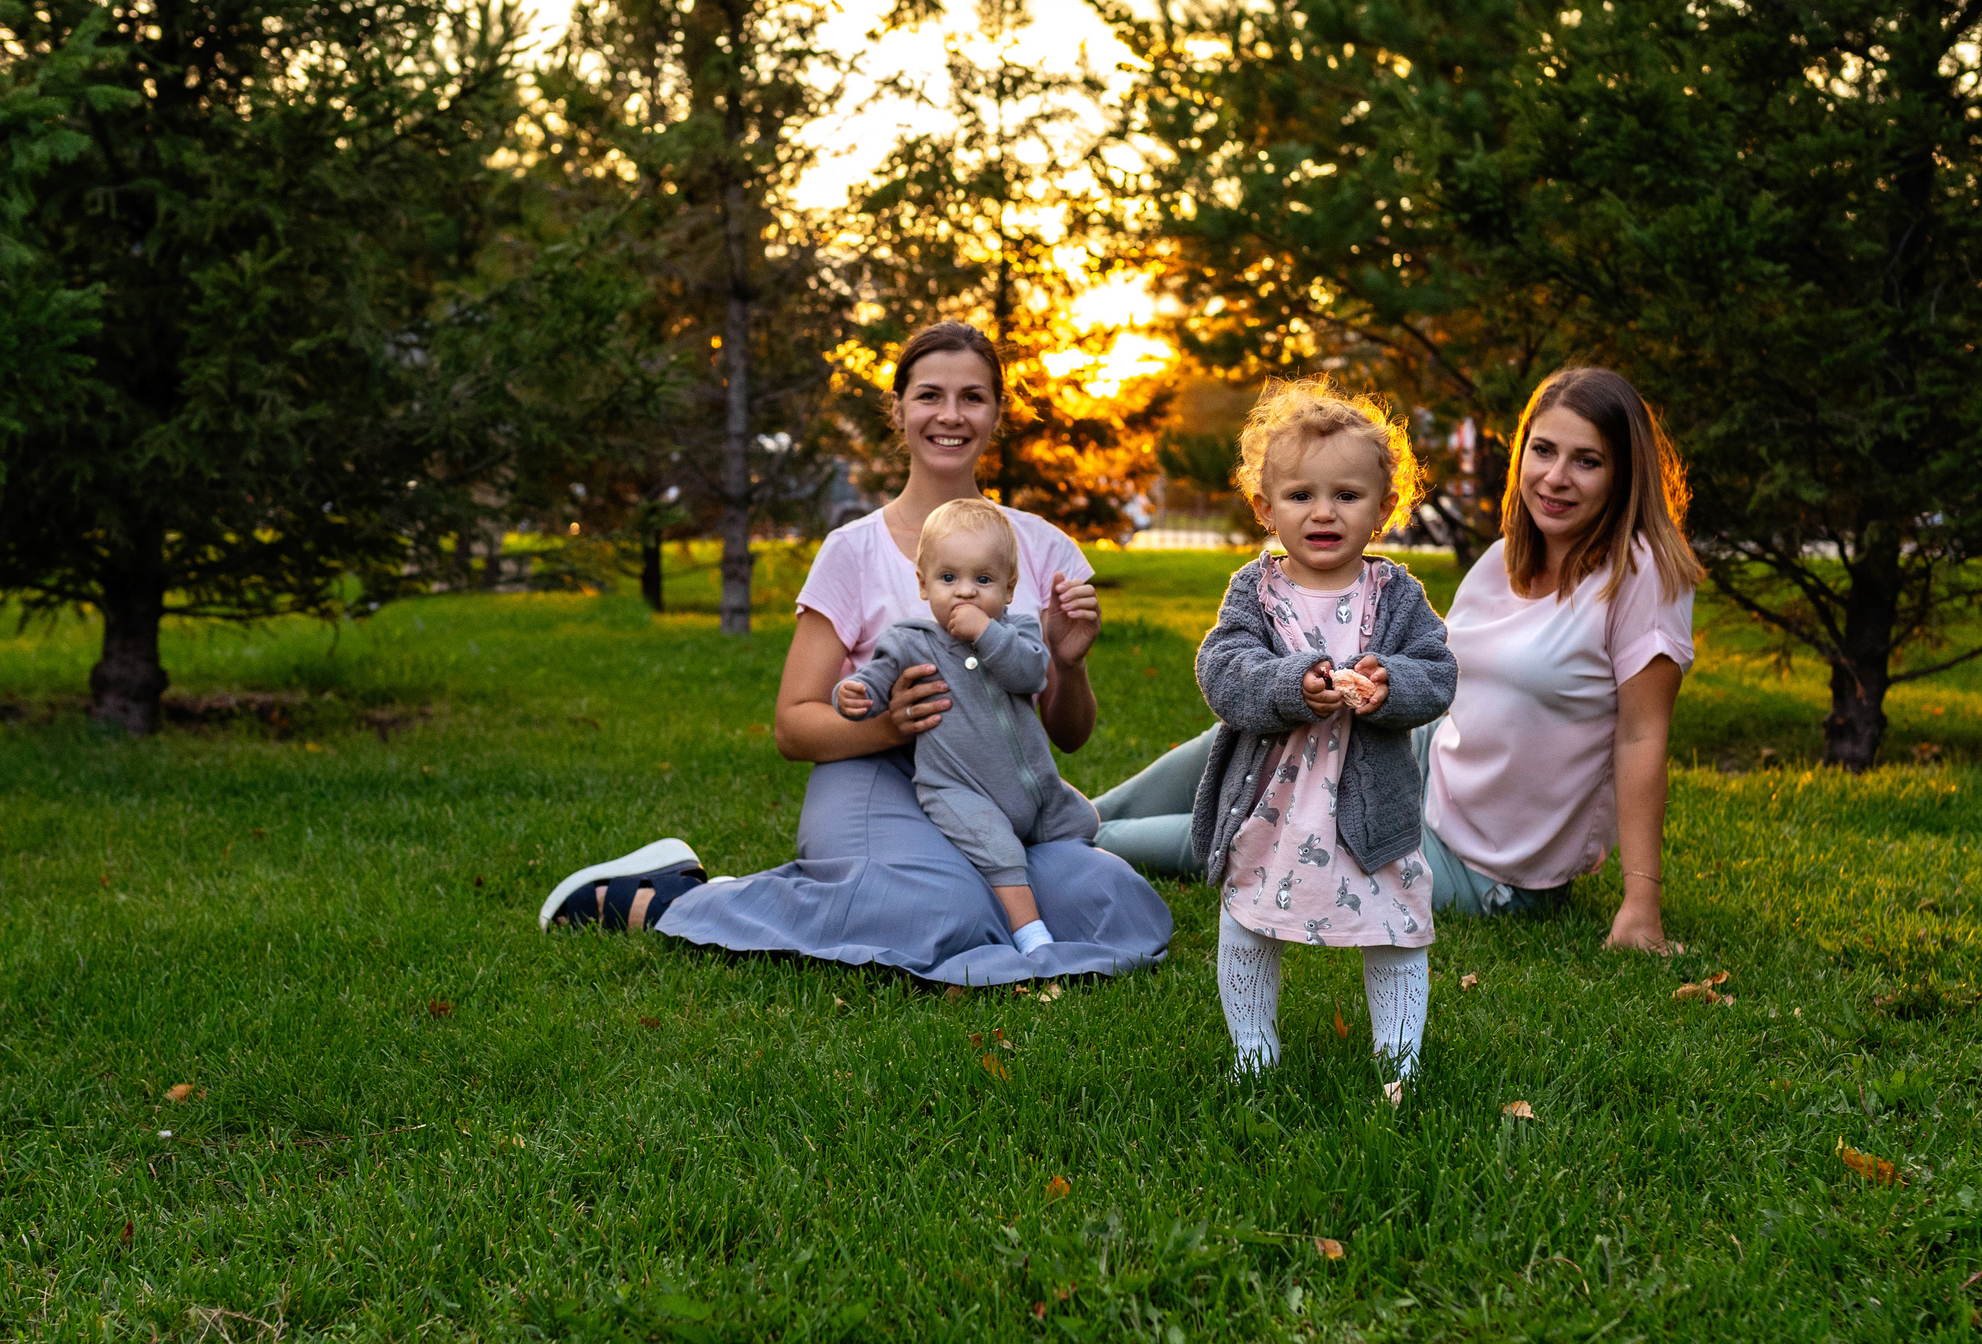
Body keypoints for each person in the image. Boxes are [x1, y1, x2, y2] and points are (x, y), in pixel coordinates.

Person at [537, 320, 1170, 986]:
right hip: (875, 776)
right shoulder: (853, 550)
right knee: (938, 913)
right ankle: (671, 898)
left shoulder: (1042, 548)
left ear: (996, 412)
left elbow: (1068, 737)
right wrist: (890, 723)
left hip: (994, 792)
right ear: (897, 410)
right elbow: (793, 724)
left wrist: (1069, 665)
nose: (950, 415)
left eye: (972, 397)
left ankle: (959, 899)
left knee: (1112, 900)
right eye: (929, 395)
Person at [1094, 365, 1699, 953]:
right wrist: (1378, 683)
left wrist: (1641, 905)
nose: (1556, 477)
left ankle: (1088, 842)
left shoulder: (1641, 575)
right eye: (1543, 451)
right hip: (1420, 759)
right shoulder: (1504, 558)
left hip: (1482, 862)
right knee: (1269, 722)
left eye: (1586, 461)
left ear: (1623, 474)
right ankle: (1075, 816)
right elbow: (1435, 668)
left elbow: (1642, 737)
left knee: (1278, 829)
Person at [1188, 381, 1457, 1095]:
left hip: (1368, 809)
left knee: (1394, 922)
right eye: (1301, 494)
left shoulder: (1397, 595)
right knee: (1248, 916)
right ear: (1265, 507)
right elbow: (1222, 668)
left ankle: (1400, 1060)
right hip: (1271, 802)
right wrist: (1287, 687)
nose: (1324, 512)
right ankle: (1253, 1048)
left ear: (1384, 509)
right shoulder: (1255, 590)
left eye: (1347, 494)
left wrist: (1389, 683)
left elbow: (1438, 671)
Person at [836, 497, 1098, 955]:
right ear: (923, 584)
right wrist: (854, 694)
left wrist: (985, 631)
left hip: (1033, 786)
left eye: (983, 579)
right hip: (956, 789)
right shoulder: (909, 641)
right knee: (1001, 852)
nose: (965, 592)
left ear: (1010, 589)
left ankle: (1078, 892)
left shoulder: (1018, 631)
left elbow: (1030, 674)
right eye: (948, 578)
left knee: (1085, 823)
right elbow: (875, 680)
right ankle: (1032, 938)